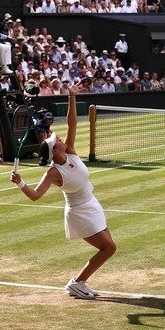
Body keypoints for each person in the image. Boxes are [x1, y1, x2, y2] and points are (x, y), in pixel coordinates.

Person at [10, 89, 116, 300]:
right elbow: (36, 195)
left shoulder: (69, 152)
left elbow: (72, 124)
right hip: (80, 212)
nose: (61, 139)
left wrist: (72, 96)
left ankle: (80, 283)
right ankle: (76, 283)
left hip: (92, 204)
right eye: (57, 141)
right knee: (109, 248)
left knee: (108, 247)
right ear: (55, 152)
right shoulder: (53, 173)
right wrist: (20, 182)